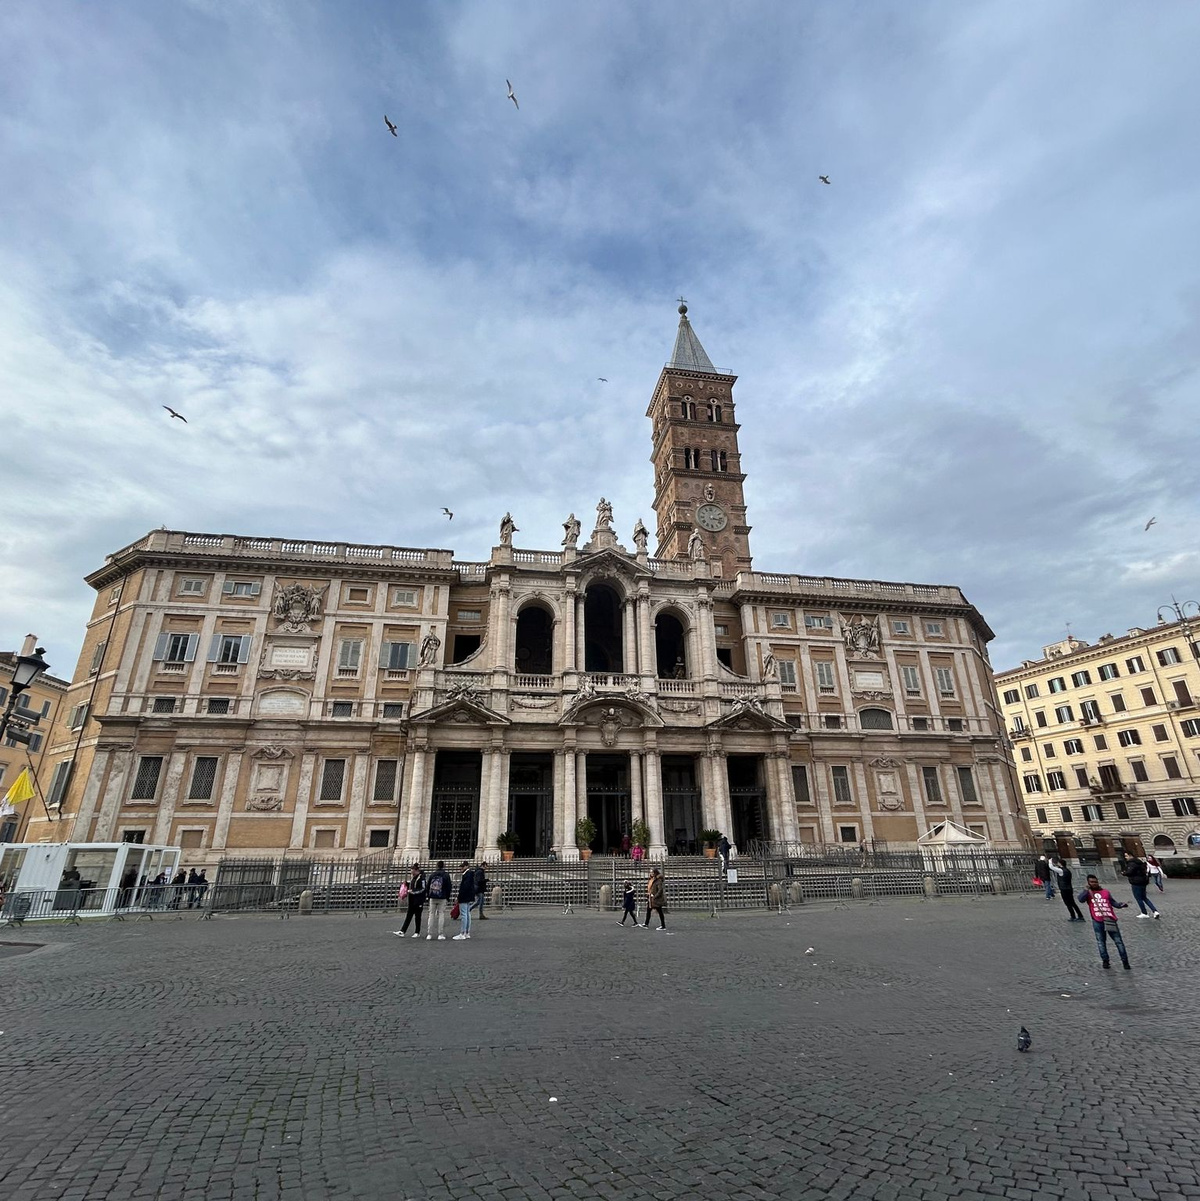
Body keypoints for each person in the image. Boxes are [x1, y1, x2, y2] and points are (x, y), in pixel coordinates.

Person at [1077, 874, 1131, 969]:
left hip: (1109, 918)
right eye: (1092, 882)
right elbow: (1080, 899)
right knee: (1101, 942)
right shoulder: (1088, 894)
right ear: (1088, 883)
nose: (1094, 884)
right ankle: (1105, 961)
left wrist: (1121, 905)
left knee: (1118, 941)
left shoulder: (1106, 892)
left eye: (1096, 882)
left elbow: (1113, 902)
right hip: (1097, 920)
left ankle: (1125, 962)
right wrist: (1086, 890)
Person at [1122, 853, 1161, 919]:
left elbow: (1130, 872)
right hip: (1143, 881)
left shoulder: (1132, 863)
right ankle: (1155, 911)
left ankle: (1144, 912)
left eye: (1126, 856)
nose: (1126, 857)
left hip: (1136, 882)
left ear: (1131, 856)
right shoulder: (1139, 862)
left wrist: (1124, 873)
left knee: (1138, 898)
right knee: (1144, 898)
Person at [395, 863, 428, 938]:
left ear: (416, 870)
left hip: (418, 900)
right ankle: (402, 931)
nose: (411, 872)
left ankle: (417, 932)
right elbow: (413, 885)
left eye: (412, 870)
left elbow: (423, 888)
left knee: (417, 916)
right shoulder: (414, 877)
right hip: (412, 899)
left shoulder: (421, 878)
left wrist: (412, 891)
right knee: (409, 915)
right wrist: (407, 884)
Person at [1049, 856, 1084, 921]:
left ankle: (1073, 916)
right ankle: (1080, 915)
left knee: (1068, 903)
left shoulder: (1061, 870)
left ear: (1060, 864)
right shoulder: (1067, 870)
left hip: (1064, 889)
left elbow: (1051, 867)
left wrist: (1050, 860)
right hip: (1069, 888)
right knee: (1073, 903)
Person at [425, 860, 452, 940]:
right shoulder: (446, 875)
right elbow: (449, 887)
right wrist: (447, 897)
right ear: (444, 866)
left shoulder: (432, 874)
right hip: (442, 897)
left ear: (436, 866)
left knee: (431, 915)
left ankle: (429, 934)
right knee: (441, 915)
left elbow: (428, 885)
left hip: (433, 896)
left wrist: (428, 896)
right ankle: (440, 934)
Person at [454, 860, 476, 940]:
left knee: (464, 914)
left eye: (462, 867)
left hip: (464, 896)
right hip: (469, 896)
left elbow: (464, 887)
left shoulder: (467, 875)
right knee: (467, 914)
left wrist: (459, 897)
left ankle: (463, 933)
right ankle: (467, 932)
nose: (461, 869)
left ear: (466, 866)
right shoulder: (469, 874)